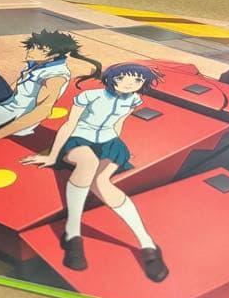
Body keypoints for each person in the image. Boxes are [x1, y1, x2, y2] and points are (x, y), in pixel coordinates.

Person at [21, 63, 169, 282]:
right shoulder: (89, 97)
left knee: (101, 183)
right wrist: (53, 156)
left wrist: (118, 148)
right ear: (112, 78)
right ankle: (73, 233)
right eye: (123, 78)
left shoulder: (134, 100)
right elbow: (69, 125)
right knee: (88, 162)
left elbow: (118, 124)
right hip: (79, 140)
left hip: (110, 144)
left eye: (137, 80)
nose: (130, 83)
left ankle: (147, 243)